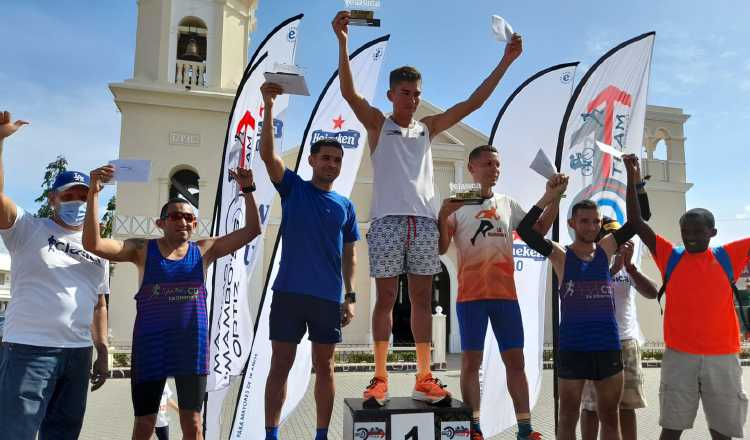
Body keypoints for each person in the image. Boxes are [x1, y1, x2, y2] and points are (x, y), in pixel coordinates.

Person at [332, 10, 523, 407]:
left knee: (421, 300)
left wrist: (505, 61)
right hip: (386, 221)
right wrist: (343, 41)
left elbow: (473, 102)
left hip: (422, 223)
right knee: (385, 299)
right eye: (406, 93)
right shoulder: (376, 124)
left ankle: (423, 377)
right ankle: (380, 378)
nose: (413, 99)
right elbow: (349, 94)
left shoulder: (429, 128)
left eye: (417, 93)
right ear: (391, 95)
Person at [82, 163, 261, 440]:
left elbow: (251, 231)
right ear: (161, 223)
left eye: (190, 218)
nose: (184, 222)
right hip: (151, 345)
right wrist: (94, 193)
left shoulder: (204, 250)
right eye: (176, 216)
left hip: (191, 346)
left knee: (193, 424)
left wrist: (248, 189)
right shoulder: (142, 249)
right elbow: (94, 244)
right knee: (145, 424)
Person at [622, 153, 750, 440]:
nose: (690, 235)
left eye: (697, 231)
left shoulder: (729, 255)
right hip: (679, 356)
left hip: (723, 357)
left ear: (713, 232)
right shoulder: (670, 256)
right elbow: (636, 221)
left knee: (723, 432)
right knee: (671, 430)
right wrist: (633, 180)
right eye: (685, 230)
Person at [438, 145, 562, 440]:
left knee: (515, 362)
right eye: (488, 164)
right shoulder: (457, 202)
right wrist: (443, 216)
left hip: (505, 297)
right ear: (472, 168)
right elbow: (441, 248)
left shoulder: (507, 203)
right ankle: (474, 426)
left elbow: (539, 229)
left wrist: (554, 197)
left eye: (497, 165)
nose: (494, 169)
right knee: (471, 363)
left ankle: (524, 428)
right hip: (471, 298)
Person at [0, 111, 110, 440]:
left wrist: (102, 351)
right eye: (69, 196)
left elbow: (99, 304)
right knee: (15, 434)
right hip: (29, 350)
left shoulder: (98, 244)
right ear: (53, 199)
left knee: (63, 435)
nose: (76, 202)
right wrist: (0, 142)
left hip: (77, 354)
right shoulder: (29, 228)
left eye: (83, 196)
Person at [260, 82, 359, 440]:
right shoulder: (293, 188)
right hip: (289, 294)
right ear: (312, 161)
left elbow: (350, 254)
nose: (331, 164)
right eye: (325, 158)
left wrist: (350, 296)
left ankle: (320, 435)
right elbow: (268, 155)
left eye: (336, 160)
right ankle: (271, 433)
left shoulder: (346, 206)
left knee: (326, 368)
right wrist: (269, 105)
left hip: (326, 298)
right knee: (280, 367)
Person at [516, 176, 639, 440]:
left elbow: (640, 220)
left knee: (609, 417)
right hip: (573, 348)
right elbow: (525, 231)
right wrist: (552, 196)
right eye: (584, 221)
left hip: (607, 347)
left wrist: (634, 179)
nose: (591, 226)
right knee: (567, 418)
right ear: (572, 223)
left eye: (596, 221)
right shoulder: (561, 254)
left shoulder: (606, 248)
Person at [580, 218, 659, 440]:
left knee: (627, 406)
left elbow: (653, 293)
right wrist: (613, 268)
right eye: (614, 238)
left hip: (625, 341)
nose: (619, 243)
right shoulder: (588, 262)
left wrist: (631, 267)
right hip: (593, 342)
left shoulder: (628, 264)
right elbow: (583, 298)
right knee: (590, 405)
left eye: (622, 237)